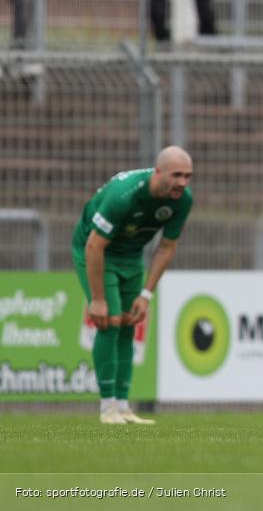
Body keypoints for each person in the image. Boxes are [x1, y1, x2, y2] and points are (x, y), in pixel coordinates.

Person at [72, 147, 194, 424]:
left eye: (188, 176)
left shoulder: (183, 200)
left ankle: (123, 407)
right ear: (158, 172)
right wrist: (98, 299)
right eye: (177, 175)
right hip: (95, 251)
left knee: (130, 322)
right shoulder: (123, 195)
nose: (183, 183)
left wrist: (146, 294)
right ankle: (107, 409)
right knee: (110, 320)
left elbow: (166, 248)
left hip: (130, 257)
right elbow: (94, 245)